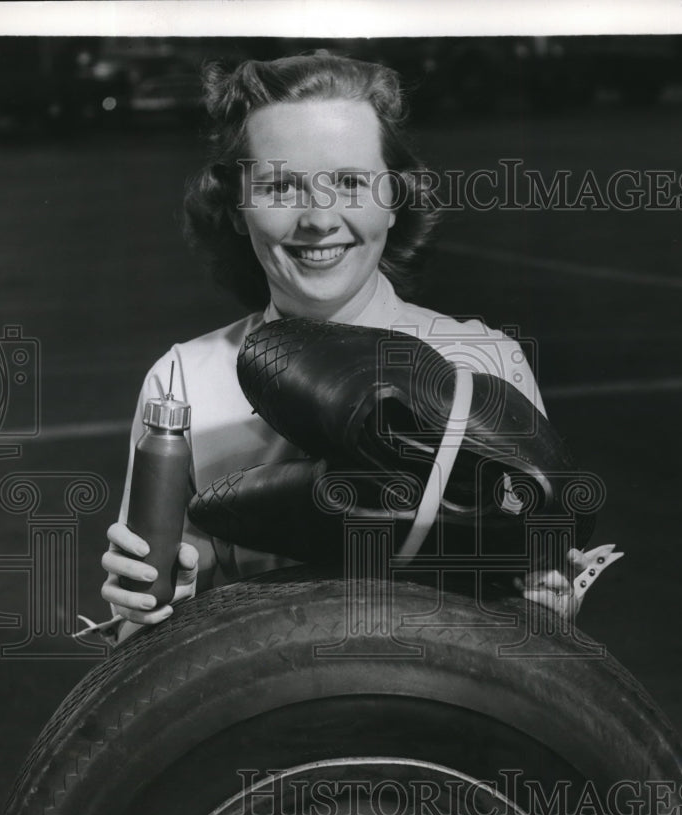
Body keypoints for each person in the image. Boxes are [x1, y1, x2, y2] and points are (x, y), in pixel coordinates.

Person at [98, 51, 614, 642]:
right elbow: (141, 645)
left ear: (394, 197)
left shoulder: (483, 364)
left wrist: (547, 602)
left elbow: (533, 627)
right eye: (281, 186)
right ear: (237, 207)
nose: (319, 219)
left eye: (350, 182)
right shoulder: (184, 380)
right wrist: (149, 606)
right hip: (261, 716)